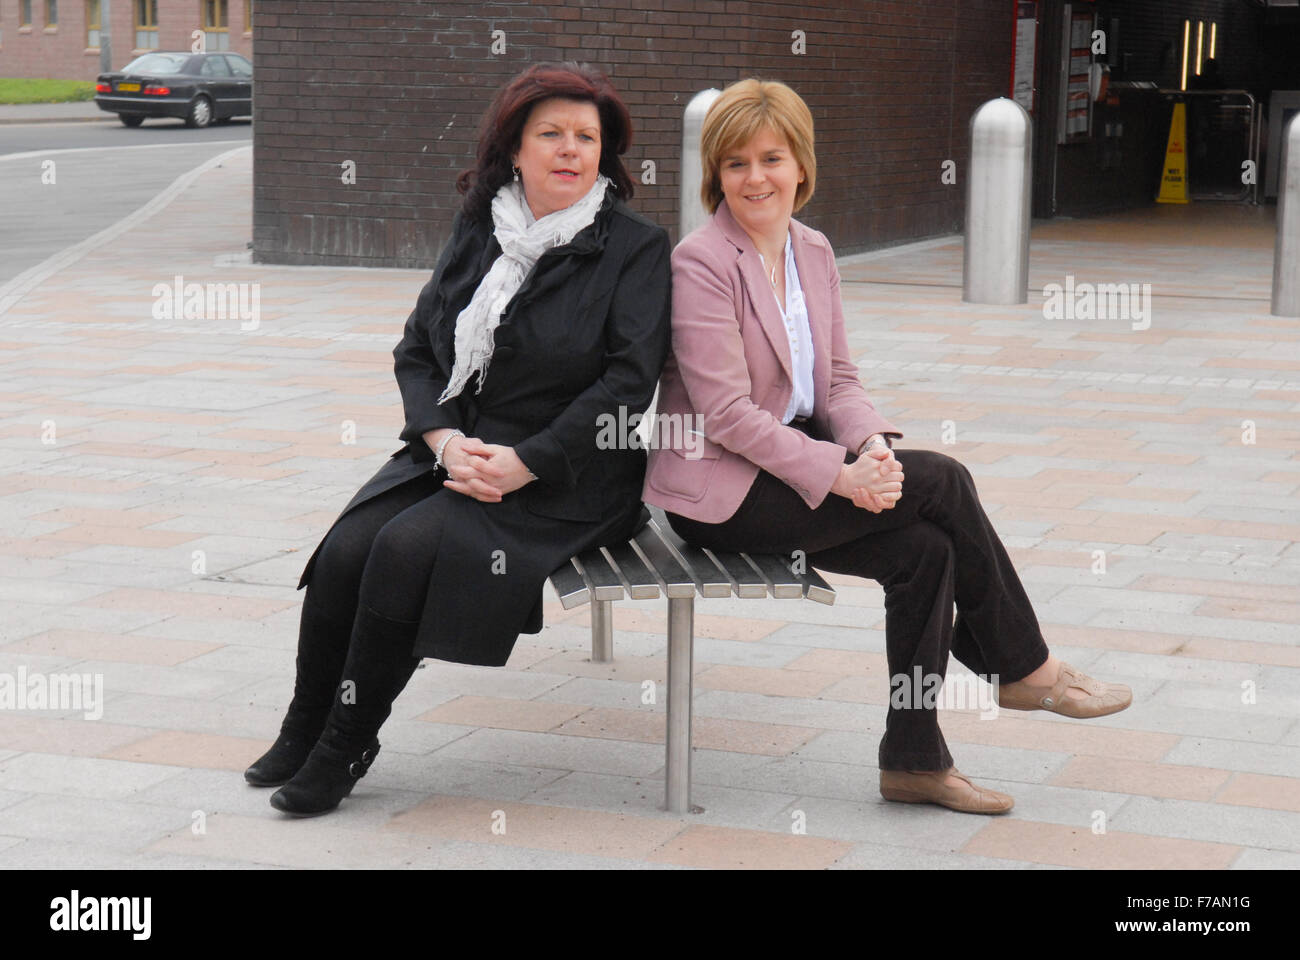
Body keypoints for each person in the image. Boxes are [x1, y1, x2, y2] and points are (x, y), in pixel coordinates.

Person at [642, 78, 1131, 815]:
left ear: (801, 166)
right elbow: (729, 415)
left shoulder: (812, 250)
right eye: (736, 163)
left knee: (926, 551)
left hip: (794, 468)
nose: (755, 178)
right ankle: (1024, 664)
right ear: (717, 173)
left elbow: (838, 379)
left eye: (771, 158)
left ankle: (913, 762)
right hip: (720, 494)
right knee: (945, 480)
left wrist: (868, 447)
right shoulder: (702, 262)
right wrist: (845, 477)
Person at [244, 62, 671, 816]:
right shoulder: (482, 225)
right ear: (515, 147)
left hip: (572, 473)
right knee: (348, 548)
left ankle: (346, 744)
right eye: (552, 135)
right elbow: (417, 348)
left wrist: (526, 463)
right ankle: (304, 721)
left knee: (405, 550)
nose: (571, 150)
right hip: (454, 448)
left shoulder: (634, 246)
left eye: (587, 137)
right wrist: (441, 440)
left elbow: (627, 385)